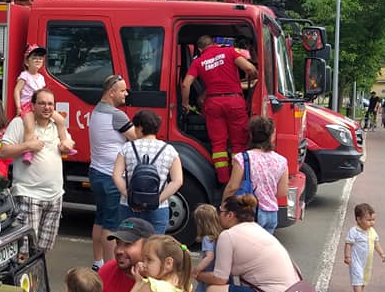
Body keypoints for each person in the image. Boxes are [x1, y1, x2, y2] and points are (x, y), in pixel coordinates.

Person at [180, 34, 258, 183]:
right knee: (238, 143)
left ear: (200, 49)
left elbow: (185, 84)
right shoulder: (229, 52)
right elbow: (249, 68)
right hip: (234, 102)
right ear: (214, 43)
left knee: (218, 144)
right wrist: (253, 77)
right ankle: (238, 179)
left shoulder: (199, 61)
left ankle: (223, 179)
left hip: (213, 104)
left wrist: (185, 104)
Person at [0, 88, 65, 258]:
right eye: (42, 103)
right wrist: (28, 146)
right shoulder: (19, 123)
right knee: (24, 251)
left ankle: (36, 282)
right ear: (33, 105)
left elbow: (67, 142)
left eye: (50, 104)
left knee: (41, 250)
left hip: (55, 196)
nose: (47, 107)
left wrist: (68, 144)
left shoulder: (56, 124)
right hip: (28, 194)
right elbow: (4, 152)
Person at [89, 75, 136, 269]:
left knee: (100, 218)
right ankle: (110, 268)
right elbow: (137, 138)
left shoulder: (96, 112)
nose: (126, 94)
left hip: (96, 172)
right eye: (123, 90)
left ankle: (97, 262)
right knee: (111, 223)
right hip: (111, 177)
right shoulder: (117, 115)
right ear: (112, 92)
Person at [111, 109, 182, 234]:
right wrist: (157, 199)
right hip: (158, 209)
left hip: (128, 207)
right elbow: (177, 181)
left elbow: (116, 176)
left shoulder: (127, 148)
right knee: (153, 249)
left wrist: (131, 196)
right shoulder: (169, 150)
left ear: (139, 127)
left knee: (129, 246)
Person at [222, 116, 288, 234]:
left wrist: (224, 205)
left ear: (251, 135)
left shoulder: (243, 158)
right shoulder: (282, 161)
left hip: (250, 212)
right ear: (272, 136)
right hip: (272, 213)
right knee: (263, 250)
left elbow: (233, 187)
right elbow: (282, 192)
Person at [14, 44, 74, 163]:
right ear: (27, 62)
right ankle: (28, 152)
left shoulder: (41, 77)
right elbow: (16, 90)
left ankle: (64, 144)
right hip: (28, 106)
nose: (38, 60)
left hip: (40, 106)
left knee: (61, 120)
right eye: (35, 57)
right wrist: (18, 107)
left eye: (40, 58)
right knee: (30, 127)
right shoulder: (24, 76)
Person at [192, 203, 229, 292]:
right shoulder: (223, 234)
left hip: (209, 273)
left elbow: (209, 256)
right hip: (223, 272)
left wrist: (197, 269)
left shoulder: (207, 238)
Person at [344, 203, 385, 292]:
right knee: (357, 276)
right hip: (356, 260)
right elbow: (348, 244)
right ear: (359, 220)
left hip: (367, 261)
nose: (372, 223)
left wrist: (382, 253)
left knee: (364, 277)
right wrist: (347, 256)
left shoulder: (372, 231)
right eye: (368, 220)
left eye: (373, 220)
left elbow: (376, 243)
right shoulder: (354, 231)